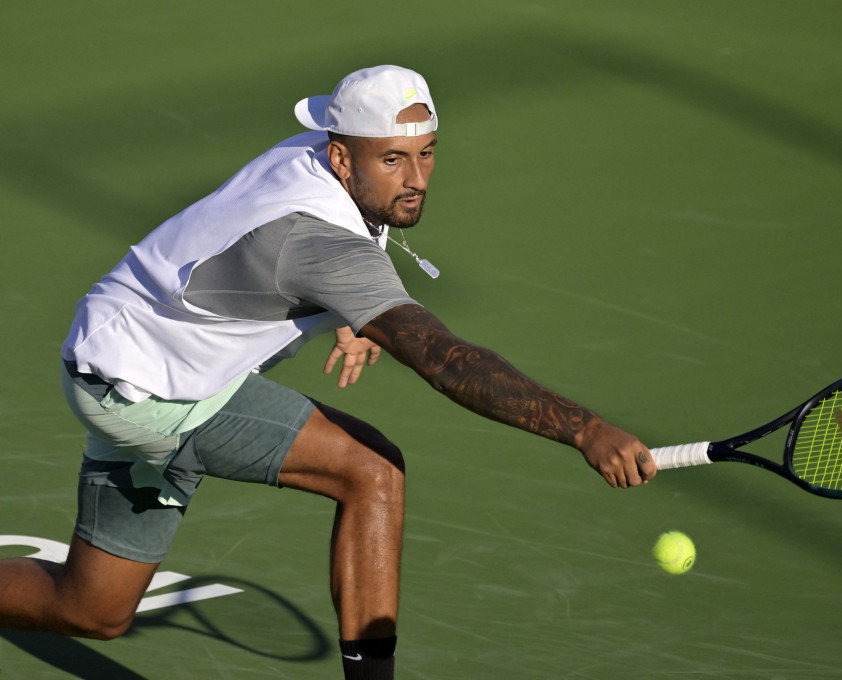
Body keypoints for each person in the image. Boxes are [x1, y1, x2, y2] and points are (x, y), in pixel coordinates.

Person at [0, 65, 656, 679]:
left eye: (426, 152)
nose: (417, 178)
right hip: (154, 394)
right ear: (342, 156)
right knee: (371, 472)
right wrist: (583, 428)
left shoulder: (311, 158)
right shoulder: (317, 242)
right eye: (393, 159)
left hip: (115, 355)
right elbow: (440, 356)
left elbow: (260, 259)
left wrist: (344, 312)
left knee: (92, 610)